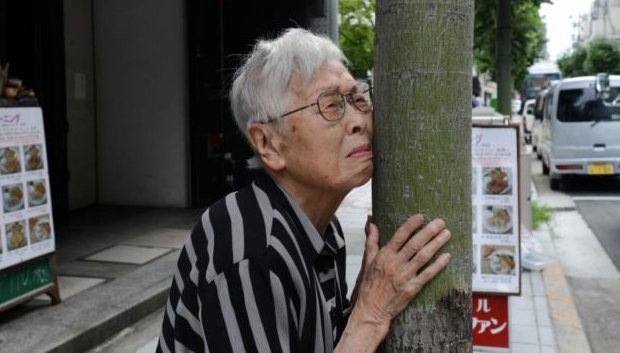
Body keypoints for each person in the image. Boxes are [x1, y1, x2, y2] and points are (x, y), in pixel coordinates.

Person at [157, 29, 451, 353]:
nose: (357, 121)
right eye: (330, 106)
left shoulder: (320, 229)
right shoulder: (250, 251)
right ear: (268, 144)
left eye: (357, 98)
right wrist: (370, 315)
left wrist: (364, 295)